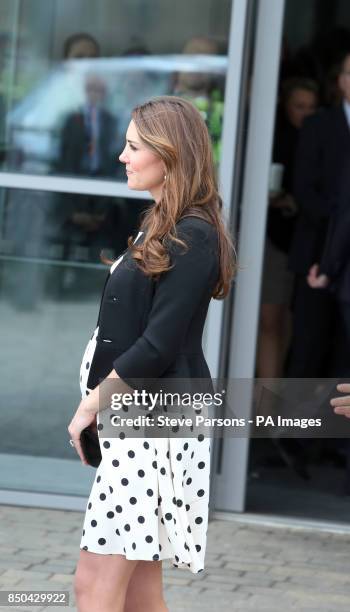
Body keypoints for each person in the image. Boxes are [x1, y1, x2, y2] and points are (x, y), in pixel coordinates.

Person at [67, 96, 235, 612]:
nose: (122, 156)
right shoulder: (161, 222)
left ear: (171, 154)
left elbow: (158, 344)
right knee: (140, 592)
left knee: (94, 584)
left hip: (152, 420)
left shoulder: (194, 234)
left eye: (134, 146)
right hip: (141, 417)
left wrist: (92, 404)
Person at [287, 51, 350, 378]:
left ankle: (335, 429)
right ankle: (295, 427)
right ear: (340, 81)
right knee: (308, 345)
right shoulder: (318, 125)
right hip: (316, 252)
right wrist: (336, 237)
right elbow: (304, 189)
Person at [258, 78, 318, 379]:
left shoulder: (319, 141)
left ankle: (273, 395)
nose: (305, 114)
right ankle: (267, 404)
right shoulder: (275, 139)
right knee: (271, 319)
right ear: (285, 106)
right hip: (271, 238)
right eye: (299, 106)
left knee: (289, 321)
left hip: (303, 242)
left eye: (311, 107)